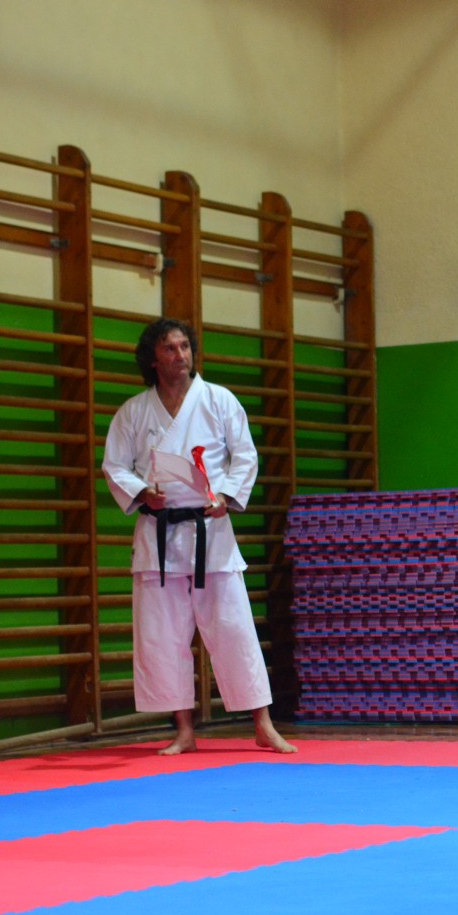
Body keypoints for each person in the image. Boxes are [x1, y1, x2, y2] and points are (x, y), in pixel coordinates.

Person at [102, 318, 297, 756]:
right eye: (169, 349)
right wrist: (142, 493)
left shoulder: (218, 400)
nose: (180, 356)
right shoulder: (134, 412)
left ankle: (263, 724)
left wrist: (226, 495)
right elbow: (114, 466)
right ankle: (184, 731)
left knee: (234, 629)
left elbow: (245, 456)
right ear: (153, 360)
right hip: (159, 534)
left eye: (185, 347)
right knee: (164, 637)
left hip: (212, 530)